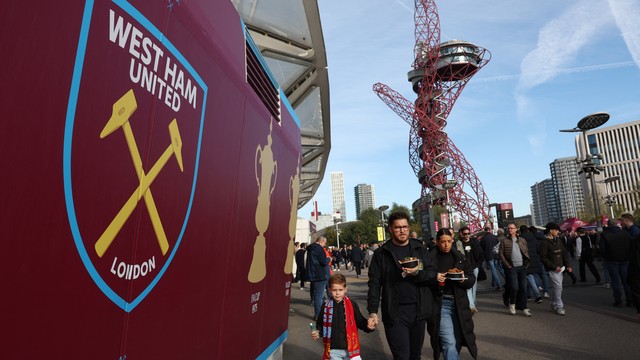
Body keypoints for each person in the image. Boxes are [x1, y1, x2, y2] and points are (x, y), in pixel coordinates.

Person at [367, 211, 436, 360]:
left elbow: (432, 274)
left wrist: (417, 273)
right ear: (390, 229)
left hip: (419, 311)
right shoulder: (381, 254)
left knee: (415, 356)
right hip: (395, 313)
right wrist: (372, 311)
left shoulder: (420, 249)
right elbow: (374, 284)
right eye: (397, 227)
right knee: (401, 356)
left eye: (405, 227)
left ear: (409, 228)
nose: (402, 230)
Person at [427, 228, 478, 360]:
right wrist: (435, 277)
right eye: (443, 242)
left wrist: (462, 279)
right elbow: (423, 278)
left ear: (452, 240)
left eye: (449, 241)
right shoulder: (429, 259)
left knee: (457, 340)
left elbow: (471, 279)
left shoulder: (460, 258)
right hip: (441, 304)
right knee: (448, 342)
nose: (446, 245)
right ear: (437, 242)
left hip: (459, 304)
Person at [311, 273, 375, 359]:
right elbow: (320, 324)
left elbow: (360, 322)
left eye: (340, 290)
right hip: (333, 350)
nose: (337, 293)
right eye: (334, 290)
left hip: (350, 349)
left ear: (345, 289)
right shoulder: (325, 306)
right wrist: (318, 332)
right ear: (330, 290)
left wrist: (369, 326)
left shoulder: (352, 305)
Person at [498, 222, 532, 317]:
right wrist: (507, 265)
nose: (510, 230)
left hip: (522, 267)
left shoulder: (522, 240)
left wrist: (526, 263)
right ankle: (512, 304)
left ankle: (524, 307)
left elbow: (526, 252)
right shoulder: (504, 241)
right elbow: (501, 254)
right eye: (508, 228)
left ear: (516, 229)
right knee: (514, 287)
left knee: (524, 288)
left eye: (512, 228)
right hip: (511, 267)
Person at [540, 222, 572, 315]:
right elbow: (543, 258)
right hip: (552, 269)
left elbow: (564, 253)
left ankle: (553, 303)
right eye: (556, 230)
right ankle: (559, 306)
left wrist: (568, 265)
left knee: (557, 288)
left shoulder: (558, 240)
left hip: (561, 267)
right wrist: (554, 267)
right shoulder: (544, 242)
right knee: (558, 287)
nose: (558, 232)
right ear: (551, 231)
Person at [599, 219, 633, 307]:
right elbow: (631, 245)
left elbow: (602, 249)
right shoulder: (625, 233)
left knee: (615, 281)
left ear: (608, 225)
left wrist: (606, 257)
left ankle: (618, 301)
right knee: (626, 281)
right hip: (625, 259)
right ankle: (630, 300)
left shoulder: (604, 235)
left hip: (612, 260)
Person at [456, 226, 483, 314]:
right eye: (465, 234)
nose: (467, 235)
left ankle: (473, 303)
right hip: (466, 269)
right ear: (462, 234)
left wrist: (478, 265)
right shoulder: (459, 244)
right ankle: (471, 306)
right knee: (468, 287)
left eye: (468, 233)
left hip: (474, 267)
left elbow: (480, 254)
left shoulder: (474, 242)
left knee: (474, 287)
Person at [307, 236, 332, 319]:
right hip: (320, 274)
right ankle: (318, 314)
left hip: (313, 273)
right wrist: (329, 259)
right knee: (319, 295)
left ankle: (318, 313)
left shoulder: (311, 248)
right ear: (321, 241)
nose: (324, 245)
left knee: (317, 294)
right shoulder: (319, 249)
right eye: (324, 243)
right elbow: (323, 261)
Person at [520, 225, 543, 303]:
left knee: (529, 277)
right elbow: (538, 249)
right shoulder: (533, 238)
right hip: (535, 259)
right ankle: (529, 294)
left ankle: (538, 296)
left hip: (526, 261)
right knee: (533, 276)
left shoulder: (520, 239)